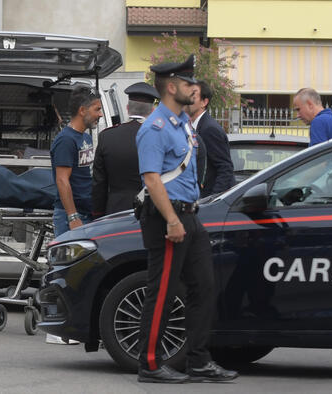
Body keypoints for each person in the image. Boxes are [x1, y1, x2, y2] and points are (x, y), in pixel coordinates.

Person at [135, 54, 238, 384]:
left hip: (188, 216)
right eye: (188, 83)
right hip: (168, 218)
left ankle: (198, 361)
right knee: (162, 291)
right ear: (171, 87)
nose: (193, 88)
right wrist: (171, 220)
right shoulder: (156, 127)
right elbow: (152, 180)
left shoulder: (182, 126)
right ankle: (150, 364)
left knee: (204, 287)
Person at [91, 82, 159, 218]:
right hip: (151, 210)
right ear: (152, 111)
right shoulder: (159, 137)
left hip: (115, 210)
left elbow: (99, 183)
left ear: (128, 108)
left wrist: (97, 213)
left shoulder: (107, 136)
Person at [50, 85, 102, 236]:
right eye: (97, 109)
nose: (101, 115)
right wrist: (72, 217)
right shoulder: (66, 140)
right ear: (82, 111)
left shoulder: (85, 137)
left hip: (87, 213)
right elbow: (62, 180)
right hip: (72, 217)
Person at [185, 80, 236, 197]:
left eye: (193, 96)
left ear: (204, 102)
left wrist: (213, 199)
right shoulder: (193, 126)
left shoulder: (209, 129)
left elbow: (225, 168)